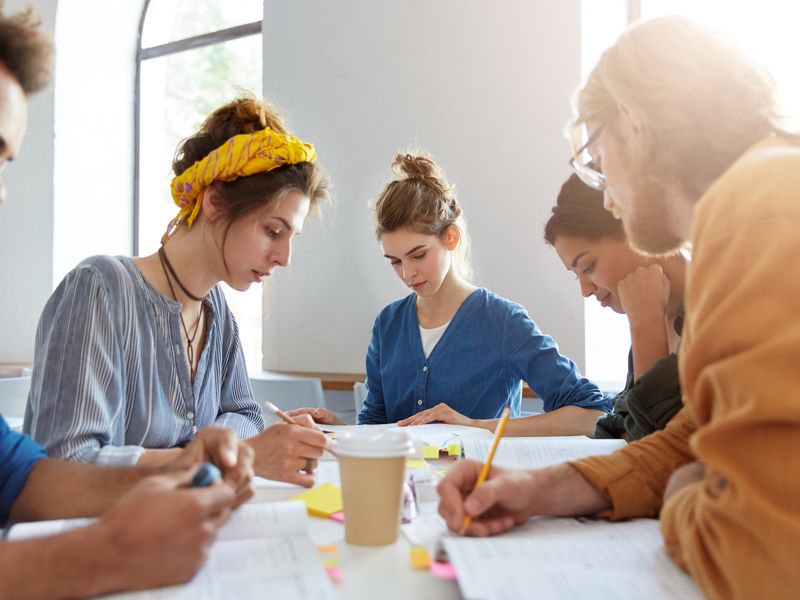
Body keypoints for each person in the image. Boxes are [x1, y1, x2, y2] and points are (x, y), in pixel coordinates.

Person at [437, 16, 800, 598]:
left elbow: (757, 553)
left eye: (598, 161)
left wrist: (684, 491)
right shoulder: (757, 197)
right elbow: (691, 436)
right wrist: (543, 488)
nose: (605, 194)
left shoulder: (754, 204)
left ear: (634, 121)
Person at [0, 4, 255, 596]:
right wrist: (103, 553)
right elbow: (67, 455)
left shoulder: (221, 318)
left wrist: (183, 469)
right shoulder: (100, 288)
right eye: (273, 230)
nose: (4, 194)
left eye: (5, 161)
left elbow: (20, 478)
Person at [24, 95, 331, 486]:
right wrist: (222, 456)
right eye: (273, 231)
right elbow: (66, 463)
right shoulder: (100, 289)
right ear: (214, 202)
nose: (285, 257)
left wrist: (224, 444)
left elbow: (246, 413)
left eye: (292, 237)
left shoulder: (216, 311)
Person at [292, 152, 611, 435]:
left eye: (418, 255)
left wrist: (475, 426)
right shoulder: (388, 324)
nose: (407, 273)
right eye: (395, 261)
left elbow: (592, 415)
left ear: (451, 238)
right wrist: (337, 430)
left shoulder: (502, 321)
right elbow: (378, 429)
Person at [544, 174, 686, 440]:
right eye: (577, 275)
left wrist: (645, 322)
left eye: (589, 267)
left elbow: (654, 446)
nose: (585, 290)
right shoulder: (657, 316)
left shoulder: (715, 311)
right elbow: (622, 425)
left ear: (634, 232)